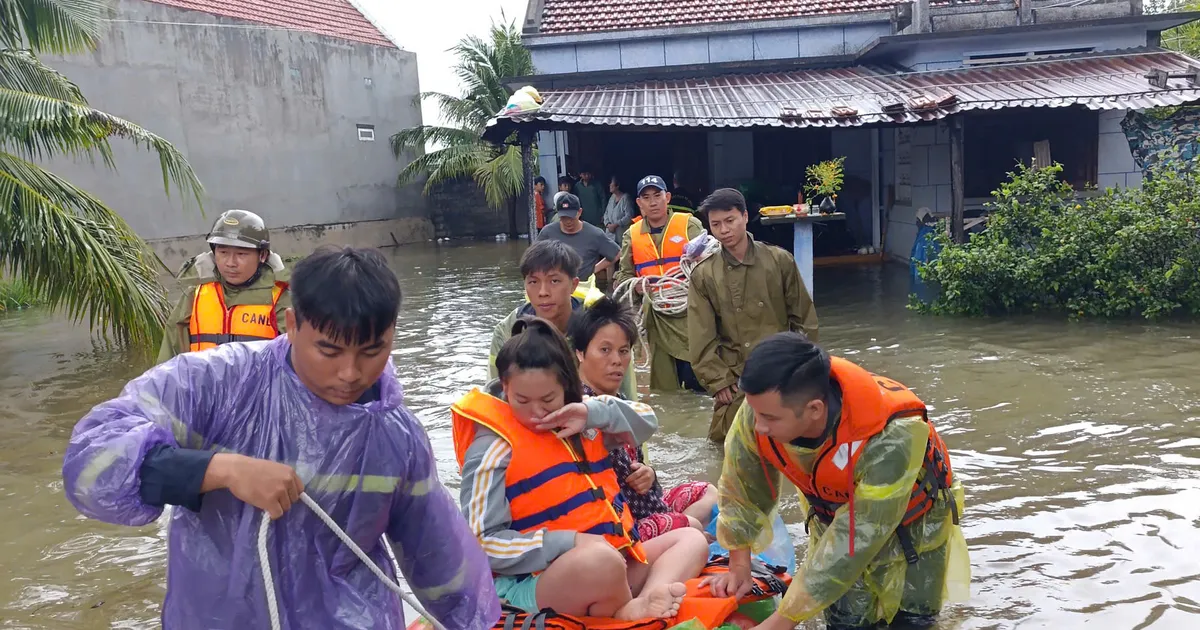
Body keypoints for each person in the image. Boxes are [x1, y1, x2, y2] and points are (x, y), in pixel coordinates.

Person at [62, 246, 500, 630]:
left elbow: (442, 565)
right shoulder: (216, 383)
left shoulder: (397, 434)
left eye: (372, 351)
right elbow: (91, 463)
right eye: (328, 350)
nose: (350, 373)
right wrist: (217, 470)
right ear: (292, 323)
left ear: (392, 335)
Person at [704, 333, 968, 630]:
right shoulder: (762, 411)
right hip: (833, 513)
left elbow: (858, 536)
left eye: (770, 418)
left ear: (815, 409)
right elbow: (742, 486)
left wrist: (781, 623)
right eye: (754, 412)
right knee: (847, 622)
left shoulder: (893, 436)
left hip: (913, 526)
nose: (758, 427)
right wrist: (739, 563)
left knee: (912, 621)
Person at [453, 317, 709, 619]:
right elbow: (484, 543)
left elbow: (646, 421)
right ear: (505, 386)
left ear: (566, 386)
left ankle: (648, 598)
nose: (536, 412)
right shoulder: (492, 449)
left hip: (609, 563)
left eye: (548, 399)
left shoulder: (583, 419)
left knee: (692, 539)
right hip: (536, 581)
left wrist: (592, 412)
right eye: (521, 399)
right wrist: (569, 542)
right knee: (601, 561)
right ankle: (629, 609)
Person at [568, 297, 718, 542]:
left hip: (646, 505)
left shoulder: (623, 402)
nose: (617, 360)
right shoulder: (579, 410)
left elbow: (638, 472)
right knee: (692, 528)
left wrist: (650, 474)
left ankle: (679, 540)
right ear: (581, 353)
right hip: (621, 522)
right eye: (605, 350)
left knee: (708, 493)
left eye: (623, 351)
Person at [688, 188, 819, 443]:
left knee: (794, 444)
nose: (724, 230)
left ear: (745, 217)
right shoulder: (703, 275)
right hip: (735, 378)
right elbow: (700, 336)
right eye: (716, 224)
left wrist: (803, 370)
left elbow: (805, 321)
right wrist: (718, 381)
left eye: (730, 220)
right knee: (725, 446)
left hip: (781, 372)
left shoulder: (779, 261)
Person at [488, 240, 636, 400]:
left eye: (554, 281)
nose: (543, 292)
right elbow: (495, 393)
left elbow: (628, 397)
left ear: (574, 285)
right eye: (533, 282)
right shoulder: (508, 330)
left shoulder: (600, 327)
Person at [158, 209, 290, 363]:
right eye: (223, 252)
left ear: (263, 255)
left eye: (241, 254)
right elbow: (169, 357)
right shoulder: (195, 294)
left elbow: (298, 361)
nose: (230, 263)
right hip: (203, 386)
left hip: (259, 387)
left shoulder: (281, 298)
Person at [614, 175, 706, 392]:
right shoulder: (631, 234)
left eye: (657, 196)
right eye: (646, 198)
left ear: (668, 197)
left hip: (691, 313)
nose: (653, 202)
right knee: (664, 387)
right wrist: (635, 286)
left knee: (699, 380)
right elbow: (623, 277)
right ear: (639, 203)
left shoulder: (689, 225)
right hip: (656, 315)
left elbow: (709, 264)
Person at [536, 192, 620, 291]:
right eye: (564, 217)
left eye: (571, 217)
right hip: (554, 287)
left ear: (579, 212)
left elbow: (616, 253)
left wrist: (594, 269)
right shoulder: (547, 232)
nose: (568, 221)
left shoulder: (594, 234)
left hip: (583, 288)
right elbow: (535, 259)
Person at [603, 175, 635, 243]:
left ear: (617, 185)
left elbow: (629, 216)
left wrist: (616, 225)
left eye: (611, 183)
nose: (609, 185)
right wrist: (607, 224)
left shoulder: (626, 198)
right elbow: (606, 213)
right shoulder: (612, 197)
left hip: (621, 236)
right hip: (610, 236)